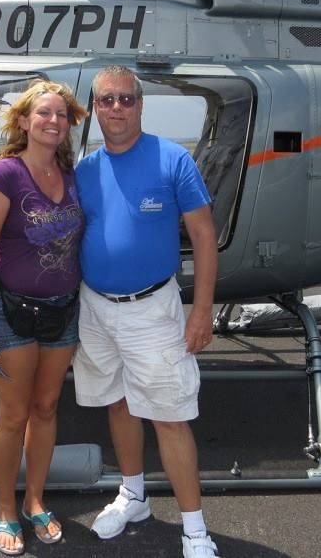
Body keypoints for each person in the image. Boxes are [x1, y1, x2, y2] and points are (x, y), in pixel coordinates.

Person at [73, 65, 222, 558]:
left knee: (169, 417)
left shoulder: (173, 159)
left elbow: (204, 236)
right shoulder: (84, 171)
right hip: (95, 308)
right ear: (95, 108)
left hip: (152, 310)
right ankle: (133, 495)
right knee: (118, 404)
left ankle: (195, 530)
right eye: (107, 100)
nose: (117, 107)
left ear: (141, 104)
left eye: (126, 99)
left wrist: (202, 310)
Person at [0, 79, 88, 556]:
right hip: (11, 312)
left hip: (62, 310)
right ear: (22, 121)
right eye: (43, 113)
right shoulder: (5, 175)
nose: (53, 121)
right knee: (14, 415)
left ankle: (35, 499)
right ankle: (5, 507)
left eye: (61, 114)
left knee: (46, 408)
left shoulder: (72, 174)